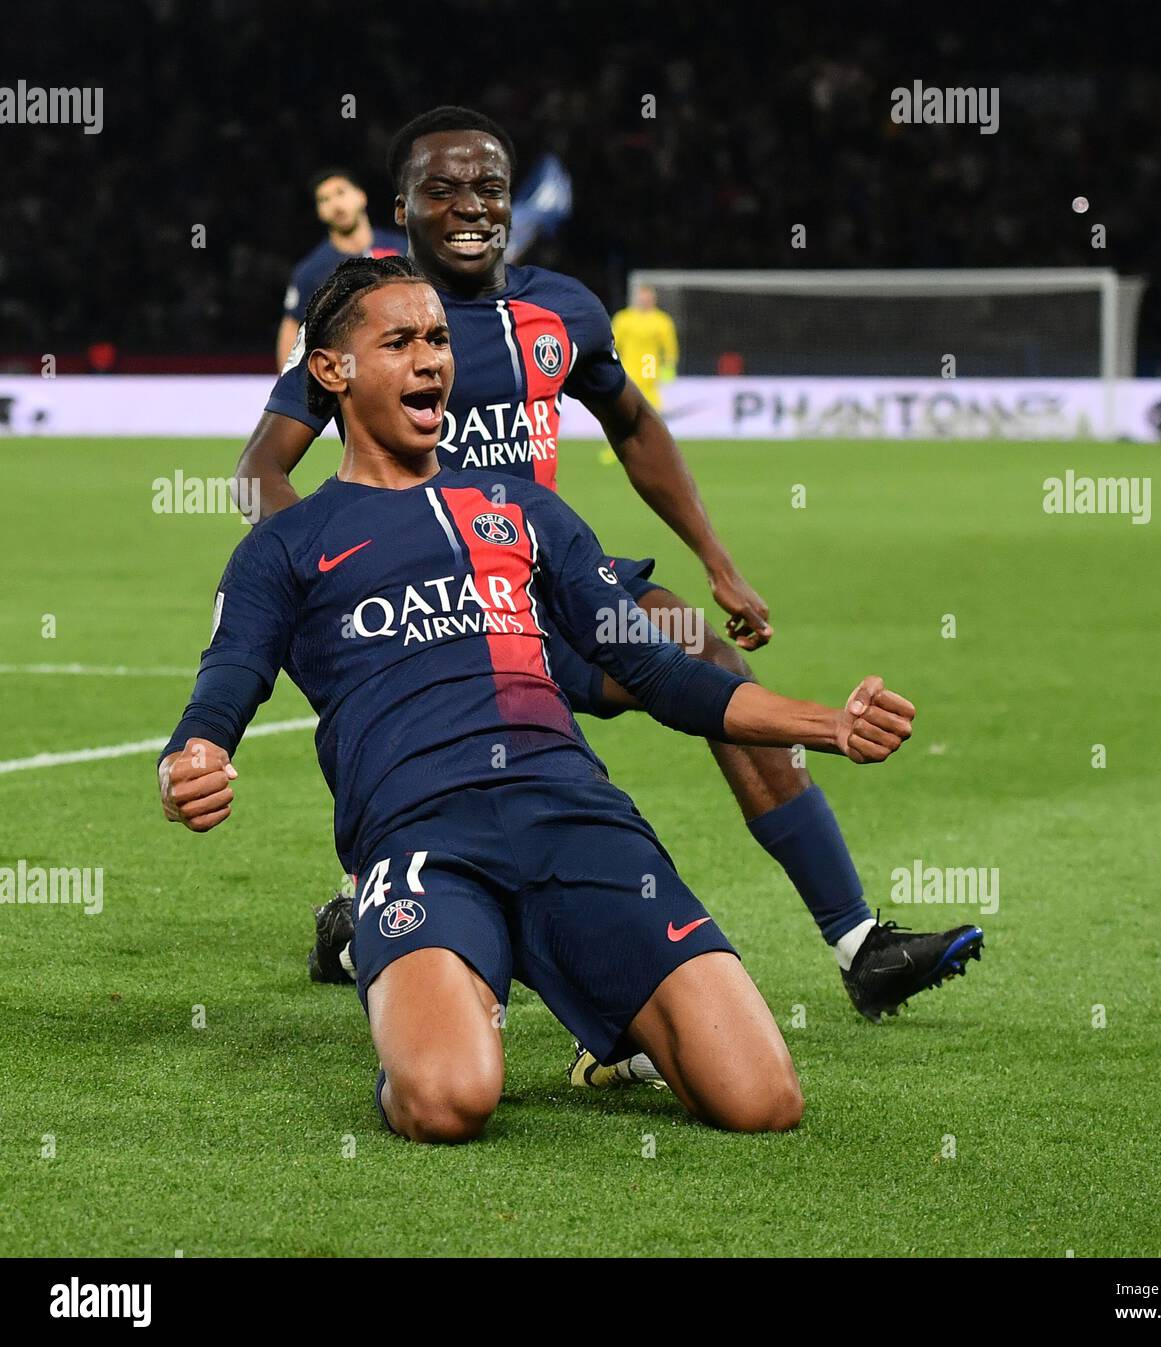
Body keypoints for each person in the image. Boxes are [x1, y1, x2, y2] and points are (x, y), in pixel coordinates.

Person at [157, 257, 969, 1143]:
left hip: (573, 816)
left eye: (437, 339)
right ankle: (430, 981)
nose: (432, 360)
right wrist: (192, 754)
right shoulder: (287, 545)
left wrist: (830, 725)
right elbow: (228, 677)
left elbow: (661, 673)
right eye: (400, 342)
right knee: (448, 1100)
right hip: (423, 837)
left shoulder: (522, 513)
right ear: (332, 372)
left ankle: (597, 1013)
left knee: (763, 1100)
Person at [236, 106, 981, 1032]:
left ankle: (858, 941)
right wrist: (335, 572)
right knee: (457, 774)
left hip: (564, 589)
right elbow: (260, 467)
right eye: (442, 189)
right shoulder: (371, 322)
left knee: (700, 654)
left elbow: (632, 424)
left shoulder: (565, 310)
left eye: (490, 188)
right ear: (403, 206)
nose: (470, 206)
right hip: (438, 608)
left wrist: (718, 559)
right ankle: (371, 924)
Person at [274, 168, 406, 368]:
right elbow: (292, 328)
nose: (336, 205)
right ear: (320, 212)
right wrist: (289, 387)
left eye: (340, 193)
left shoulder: (404, 249)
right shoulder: (311, 271)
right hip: (349, 376)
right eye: (325, 200)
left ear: (361, 197)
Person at [611, 284, 678, 410]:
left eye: (647, 298)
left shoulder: (662, 321)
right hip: (628, 365)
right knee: (626, 399)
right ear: (636, 298)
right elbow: (613, 344)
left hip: (649, 364)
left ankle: (653, 422)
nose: (644, 301)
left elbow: (670, 347)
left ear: (653, 299)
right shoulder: (623, 319)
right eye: (642, 297)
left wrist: (669, 367)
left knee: (650, 400)